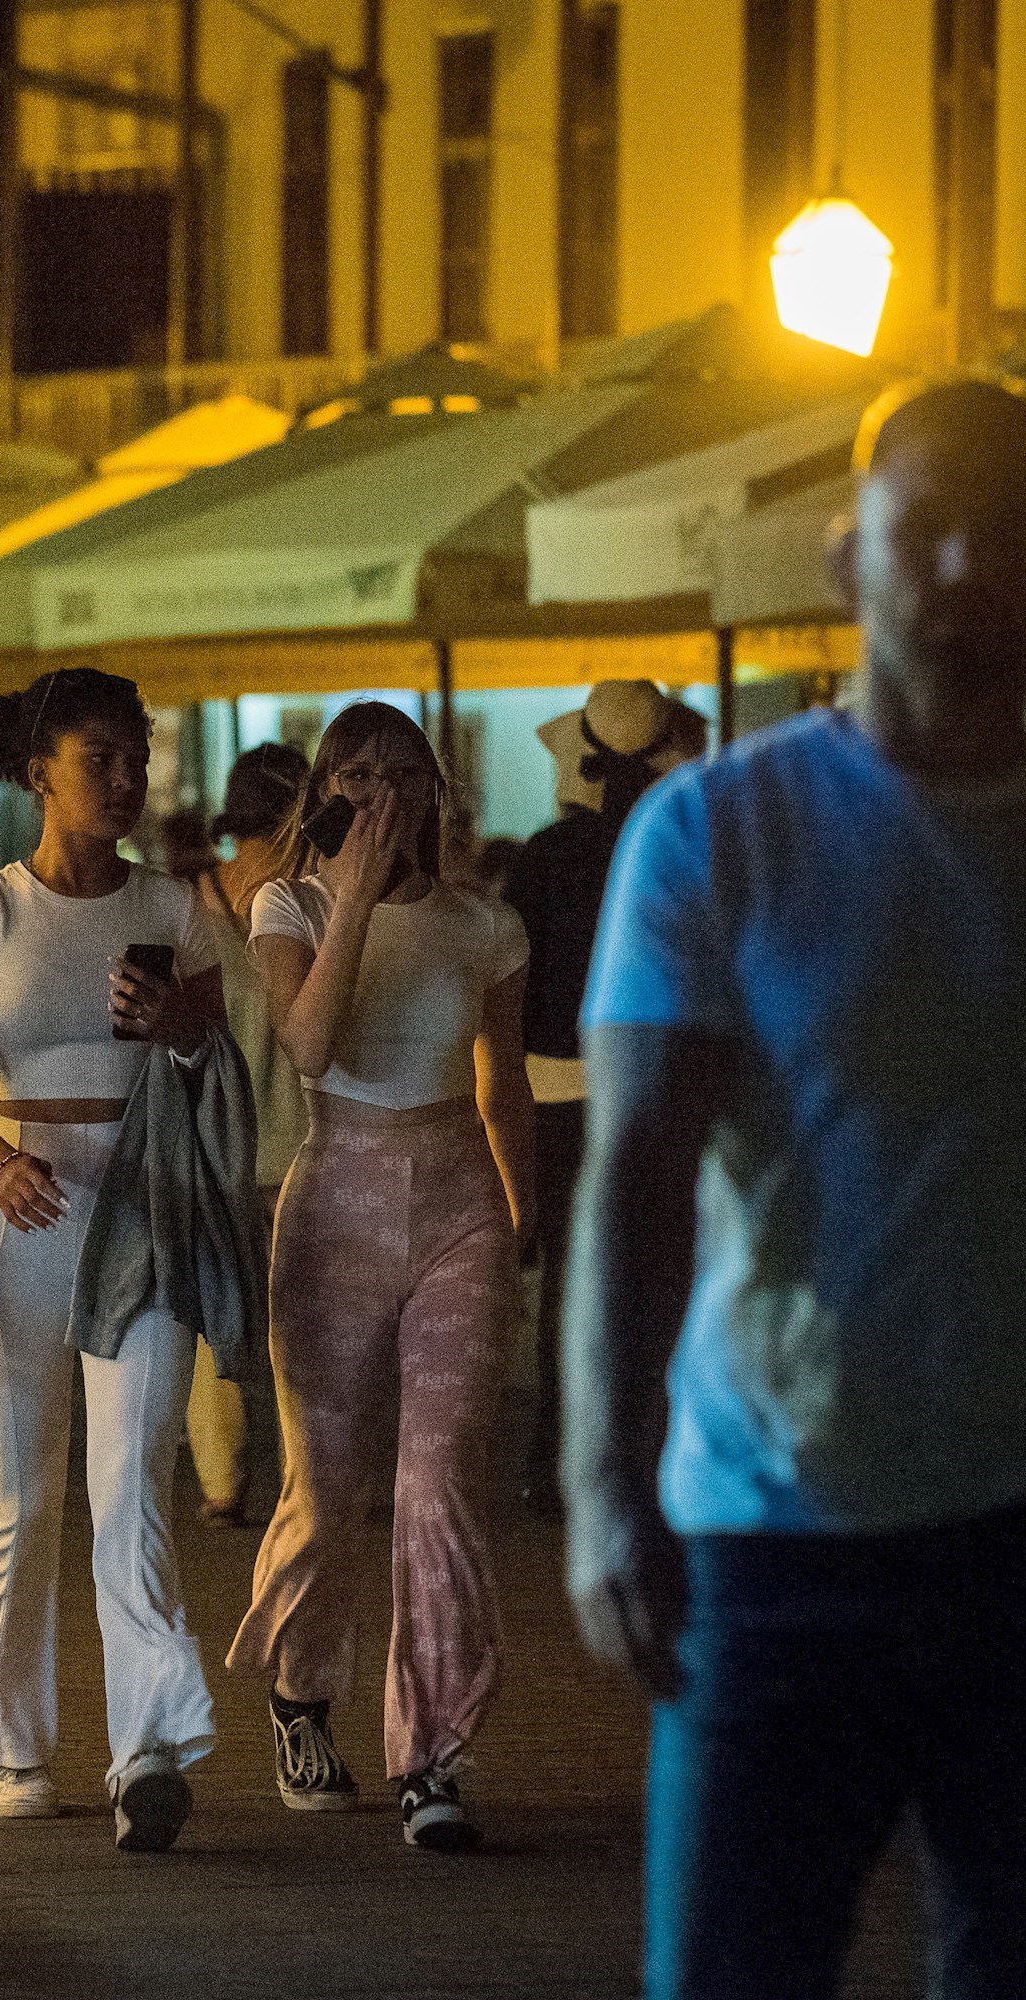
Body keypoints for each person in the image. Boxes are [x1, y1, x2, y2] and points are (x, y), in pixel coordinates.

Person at [564, 376, 1026, 2000]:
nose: (968, 566)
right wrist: (605, 1484)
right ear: (850, 565)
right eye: (927, 532)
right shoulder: (718, 834)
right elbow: (635, 1177)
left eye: (1007, 532)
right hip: (775, 1532)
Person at [0, 666, 234, 1849]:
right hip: (19, 1216)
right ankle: (12, 1744)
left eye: (136, 754)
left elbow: (212, 1069)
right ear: (35, 768)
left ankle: (145, 1745)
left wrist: (178, 1028)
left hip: (142, 1209)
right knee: (21, 1491)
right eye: (98, 755)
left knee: (132, 1484)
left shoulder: (173, 907)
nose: (124, 777)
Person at [227, 701, 534, 1850]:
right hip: (336, 1200)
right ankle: (302, 1694)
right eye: (352, 773)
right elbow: (309, 1042)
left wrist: (522, 1207)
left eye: (398, 771)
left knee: (439, 1484)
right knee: (327, 1485)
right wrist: (349, 888)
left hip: (459, 1200)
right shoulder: (287, 902)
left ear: (431, 789)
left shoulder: (483, 923)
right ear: (324, 793)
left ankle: (432, 1753)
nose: (377, 790)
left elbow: (500, 1078)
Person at [507, 681, 703, 1515]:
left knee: (566, 1287)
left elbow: (514, 991)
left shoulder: (544, 857)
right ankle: (654, 1461)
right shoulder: (687, 845)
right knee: (665, 1276)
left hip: (554, 1091)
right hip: (664, 1083)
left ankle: (560, 1462)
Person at [184, 742, 311, 1525]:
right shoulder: (313, 902)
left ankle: (222, 1480)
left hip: (213, 1137)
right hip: (302, 1136)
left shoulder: (186, 904)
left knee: (215, 1321)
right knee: (304, 1320)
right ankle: (307, 1476)